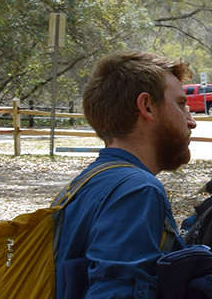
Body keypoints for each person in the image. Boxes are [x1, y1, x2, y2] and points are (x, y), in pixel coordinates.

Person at [54, 51, 196, 298]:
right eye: (182, 105)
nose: (191, 121)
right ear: (147, 107)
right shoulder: (137, 190)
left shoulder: (88, 182)